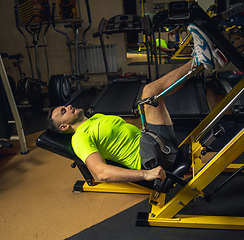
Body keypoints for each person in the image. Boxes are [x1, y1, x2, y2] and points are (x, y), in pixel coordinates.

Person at [47, 24, 228, 184]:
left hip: (152, 142)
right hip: (151, 157)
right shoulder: (80, 138)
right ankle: (198, 61)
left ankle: (202, 62)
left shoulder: (95, 119)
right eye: (63, 111)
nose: (69, 106)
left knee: (152, 97)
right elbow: (101, 173)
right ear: (63, 126)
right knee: (149, 93)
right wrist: (145, 174)